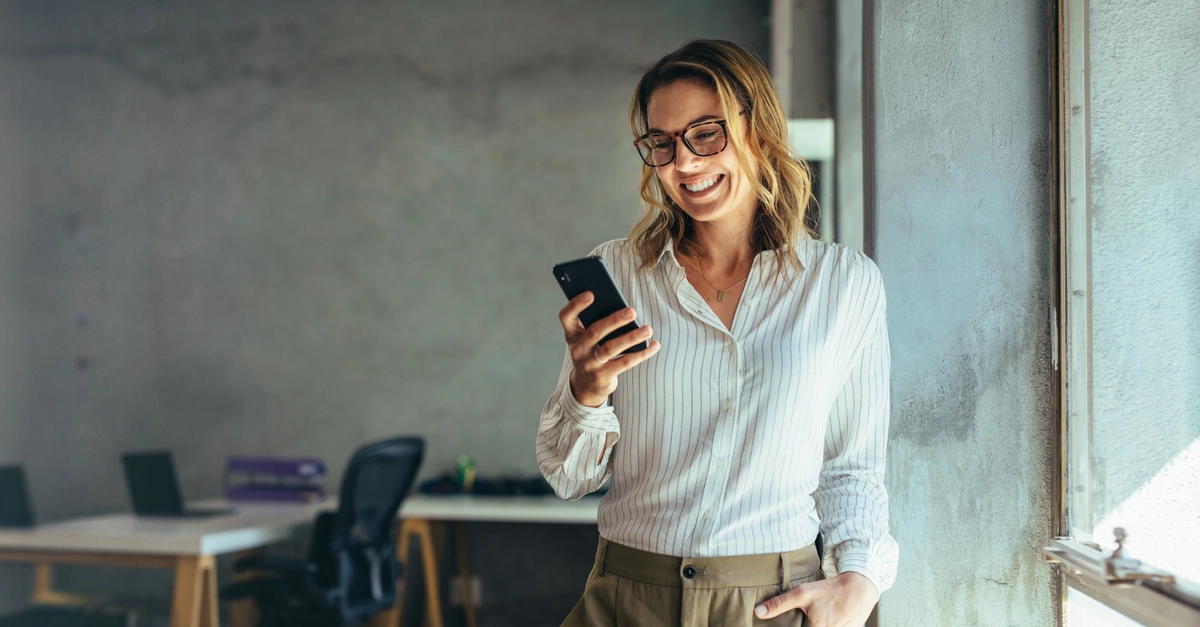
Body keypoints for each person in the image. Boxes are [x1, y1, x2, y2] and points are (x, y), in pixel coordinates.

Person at [536, 39, 898, 627]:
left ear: (759, 129)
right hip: (627, 596)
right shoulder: (622, 273)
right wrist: (587, 391)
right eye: (662, 143)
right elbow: (569, 475)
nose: (683, 163)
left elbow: (852, 467)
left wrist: (858, 582)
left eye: (707, 133)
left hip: (769, 603)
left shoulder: (844, 283)